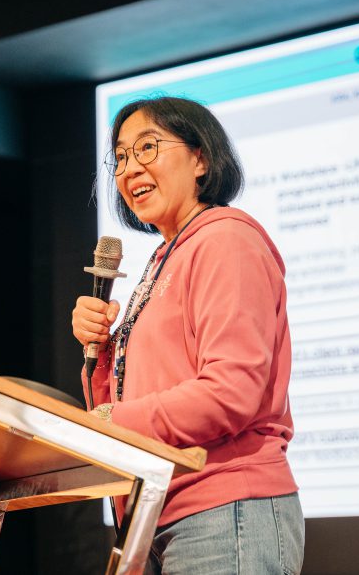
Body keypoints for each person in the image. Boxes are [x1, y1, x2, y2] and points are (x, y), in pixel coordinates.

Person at [72, 96, 304, 574]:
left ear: (200, 158)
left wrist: (113, 419)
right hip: (158, 513)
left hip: (225, 509)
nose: (130, 168)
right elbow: (133, 400)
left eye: (148, 147)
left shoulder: (225, 240)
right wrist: (102, 349)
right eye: (120, 157)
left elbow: (231, 392)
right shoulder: (165, 258)